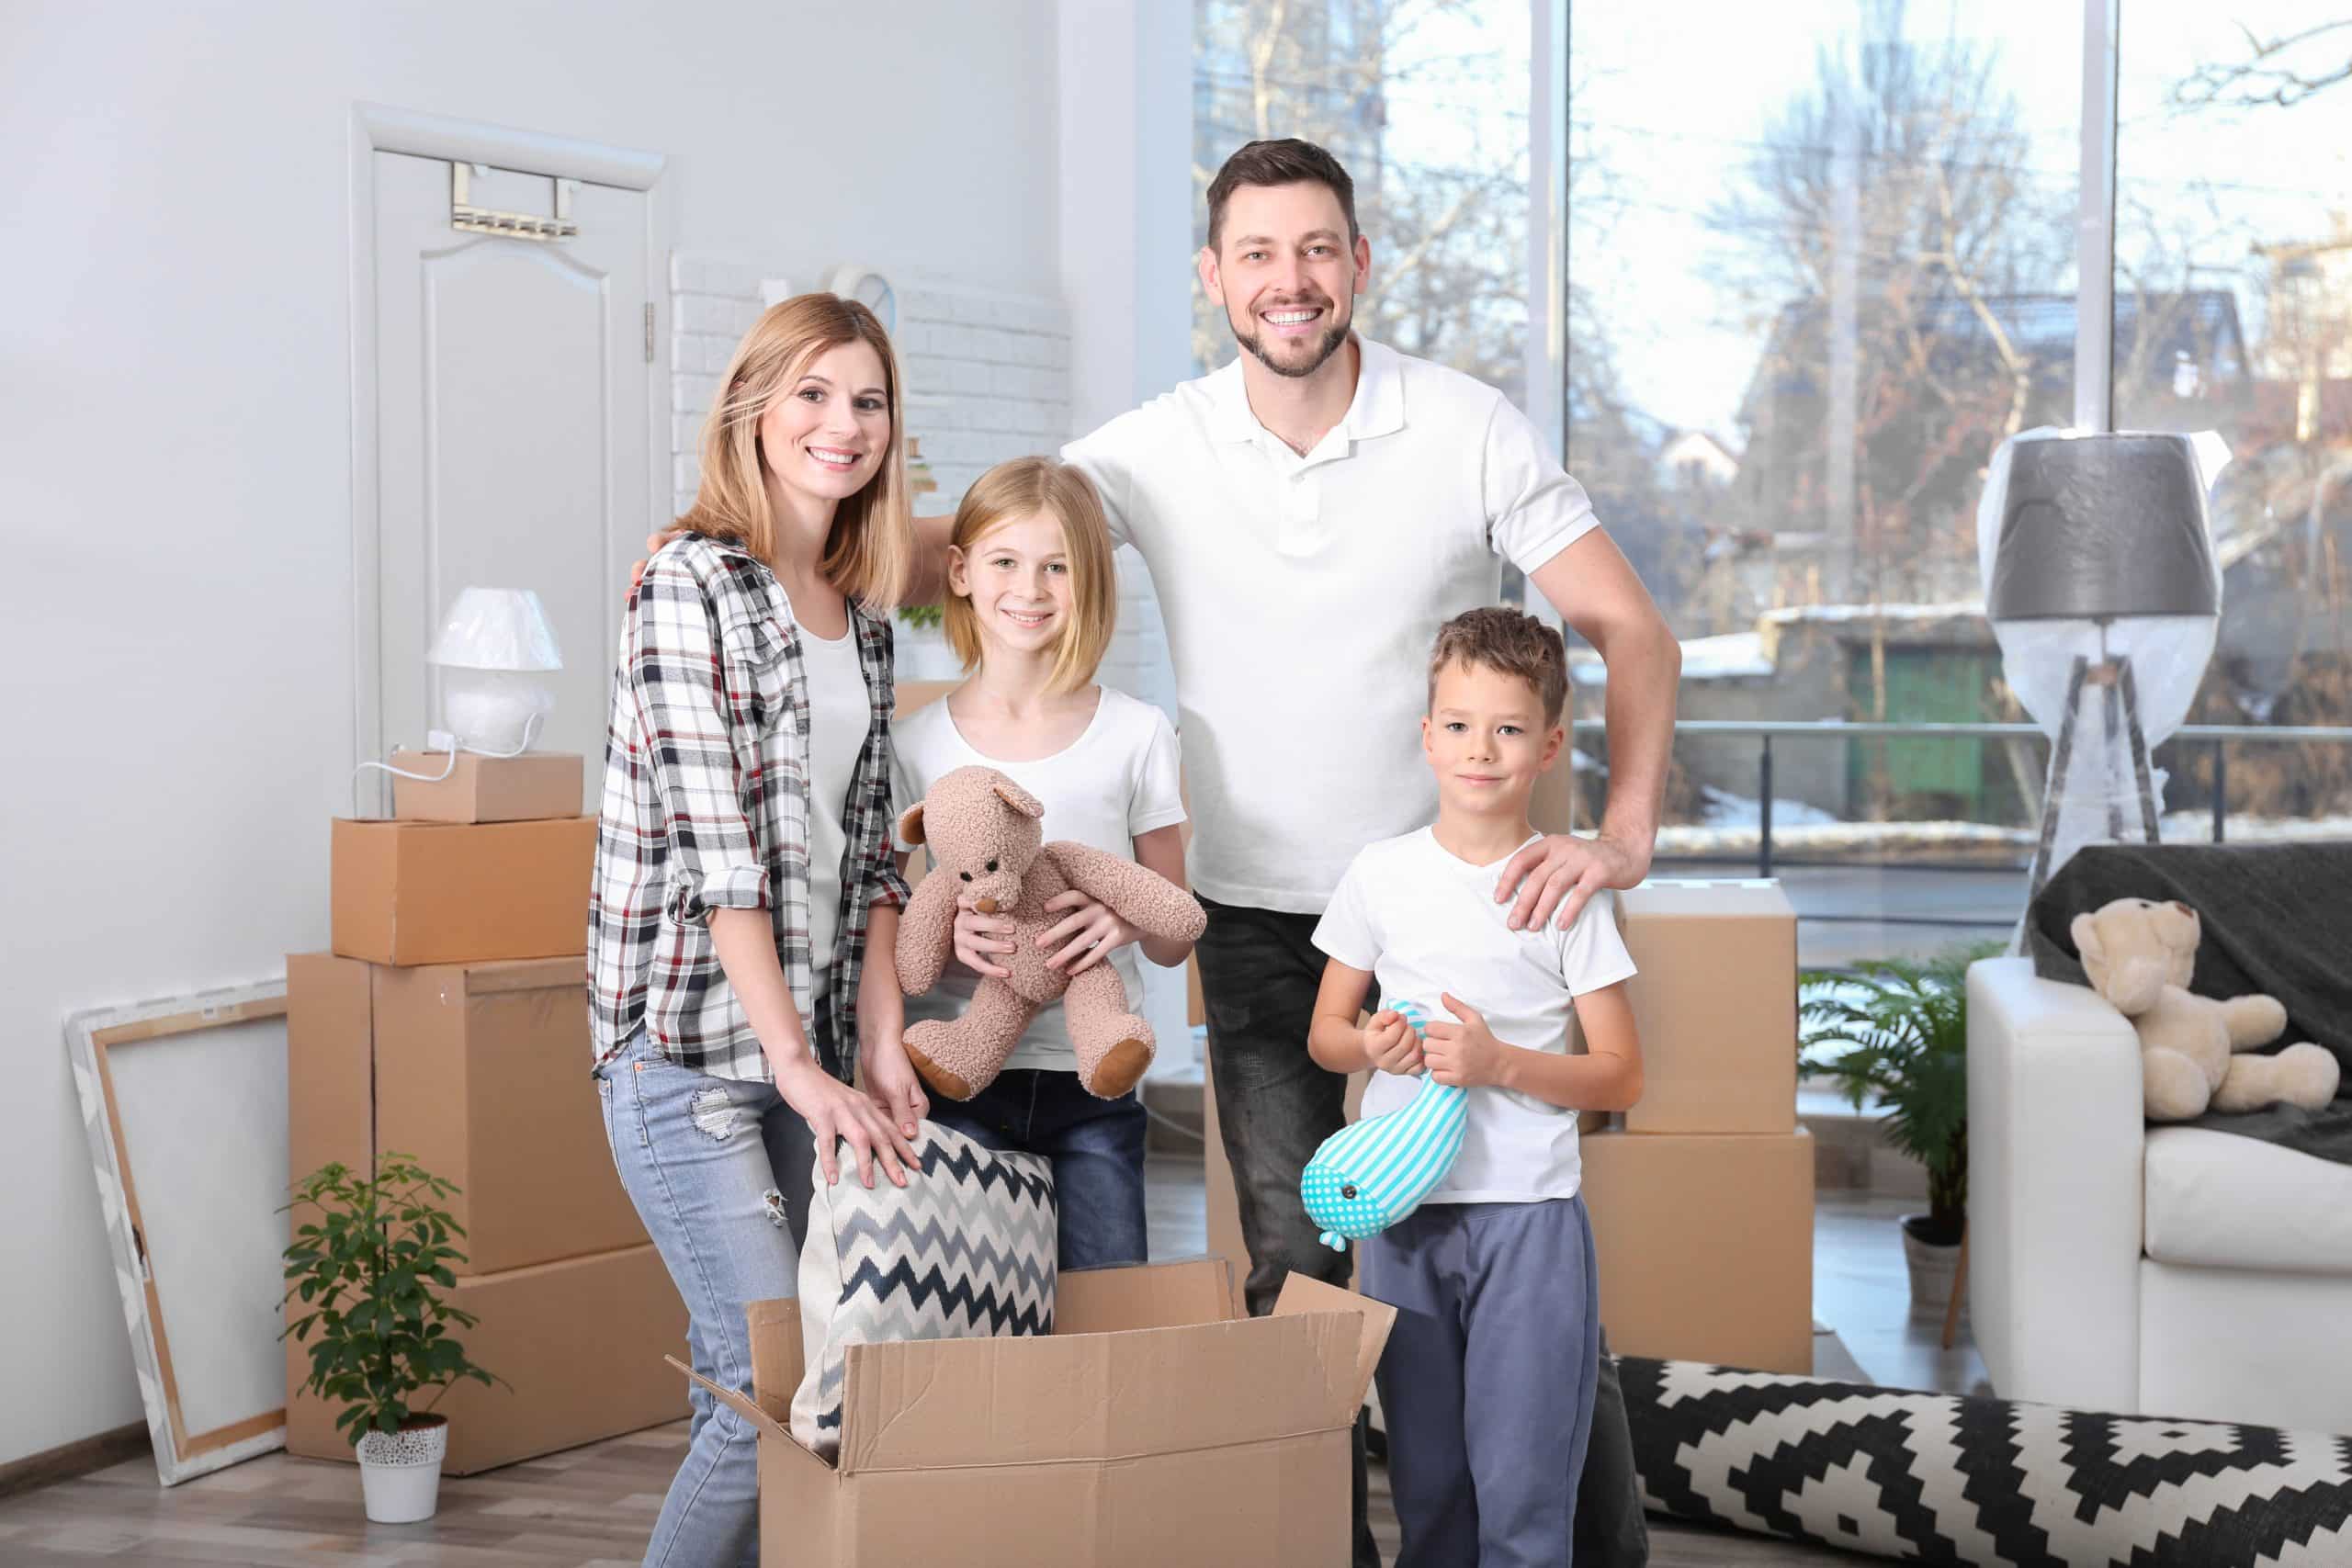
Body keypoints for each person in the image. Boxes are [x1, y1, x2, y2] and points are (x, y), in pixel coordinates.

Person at [589, 292, 933, 1567]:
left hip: (810, 1048)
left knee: (788, 1396)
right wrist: (797, 1060)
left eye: (868, 399)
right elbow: (719, 859)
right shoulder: (687, 582)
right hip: (687, 1054)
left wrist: (881, 1040)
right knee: (761, 1387)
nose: (842, 425)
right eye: (813, 393)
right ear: (751, 406)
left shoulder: (866, 615)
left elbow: (880, 861)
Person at [1310, 607, 1643, 1567]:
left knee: (1523, 1489)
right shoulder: (1380, 876)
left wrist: (1499, 1066)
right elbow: (1327, 1037)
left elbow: (1621, 1075)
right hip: (1403, 1219)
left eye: (1506, 729)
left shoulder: (1567, 889)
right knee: (1427, 1483)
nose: (1479, 750)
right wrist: (1373, 1045)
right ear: (1426, 737)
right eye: (1457, 725)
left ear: (1546, 745)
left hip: (1528, 1221)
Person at [890, 455, 1193, 1269]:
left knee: (1106, 1321)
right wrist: (949, 943)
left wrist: (1122, 919)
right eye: (1005, 562)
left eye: (1056, 565)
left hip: (1092, 1084)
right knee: (969, 1325)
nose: (1031, 587)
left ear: (1088, 578)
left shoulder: (1136, 734)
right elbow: (894, 926)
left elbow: (1175, 931)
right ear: (959, 572)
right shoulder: (914, 745)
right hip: (958, 1082)